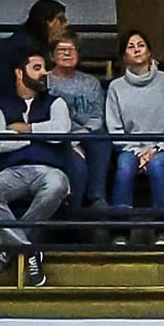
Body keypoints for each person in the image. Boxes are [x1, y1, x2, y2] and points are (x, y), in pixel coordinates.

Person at [0, 52, 72, 287]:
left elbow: (61, 132)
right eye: (37, 67)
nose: (44, 73)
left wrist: (25, 129)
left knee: (58, 185)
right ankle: (29, 249)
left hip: (48, 170)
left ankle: (10, 248)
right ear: (19, 73)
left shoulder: (56, 102)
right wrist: (39, 136)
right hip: (12, 172)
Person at [106, 30, 164, 243]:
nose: (136, 49)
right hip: (129, 149)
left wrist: (155, 149)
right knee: (124, 167)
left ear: (149, 51)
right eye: (130, 46)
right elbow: (114, 129)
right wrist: (138, 152)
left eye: (141, 44)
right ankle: (120, 231)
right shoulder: (115, 87)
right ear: (124, 57)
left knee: (157, 165)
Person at [46, 30, 112, 220]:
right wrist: (70, 141)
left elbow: (97, 117)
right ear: (52, 55)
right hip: (57, 137)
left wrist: (80, 136)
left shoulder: (90, 82)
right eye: (61, 49)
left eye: (72, 49)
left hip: (86, 134)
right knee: (78, 165)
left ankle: (96, 196)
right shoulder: (45, 81)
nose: (67, 54)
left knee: (102, 138)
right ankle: (73, 217)